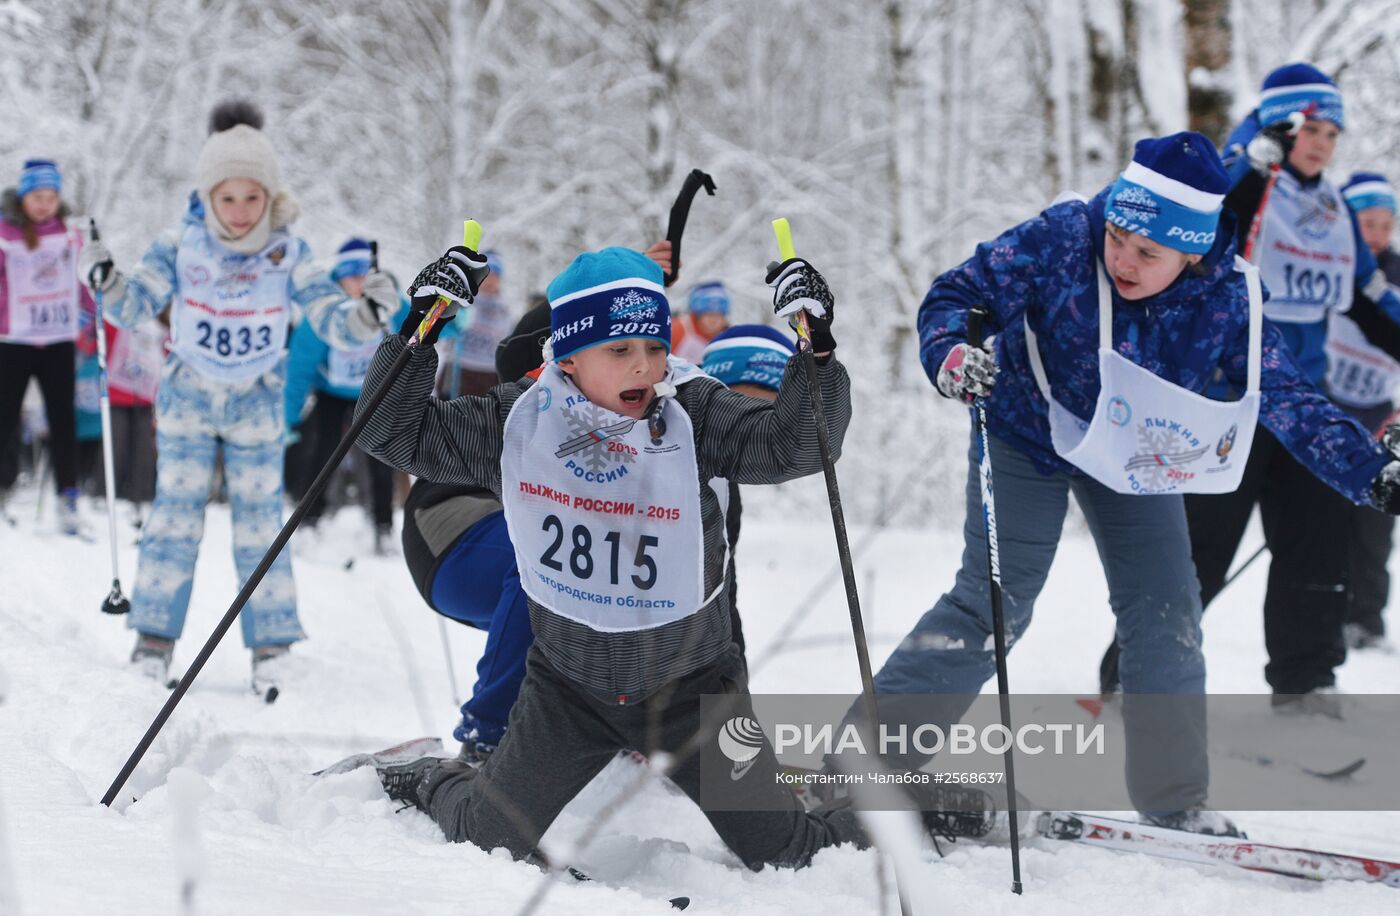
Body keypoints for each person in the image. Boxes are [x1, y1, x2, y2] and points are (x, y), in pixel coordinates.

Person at [355, 241, 986, 869]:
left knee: (788, 853)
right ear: (569, 357)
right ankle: (427, 776)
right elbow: (390, 429)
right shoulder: (520, 418)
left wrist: (814, 348)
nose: (644, 366)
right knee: (488, 836)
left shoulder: (693, 411)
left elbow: (796, 447)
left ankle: (900, 802)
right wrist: (420, 327)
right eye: (620, 349)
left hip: (692, 698)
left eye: (656, 347)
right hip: (566, 692)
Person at [865, 130, 1400, 835]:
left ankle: (1175, 801)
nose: (1122, 258)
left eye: (1148, 252)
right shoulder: (1063, 238)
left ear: (1194, 249)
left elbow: (1288, 399)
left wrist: (1372, 473)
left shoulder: (1231, 296)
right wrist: (954, 351)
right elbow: (958, 295)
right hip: (1027, 429)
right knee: (998, 597)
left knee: (1168, 612)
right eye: (1118, 236)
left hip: (1131, 450)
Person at [1098, 64, 1400, 710]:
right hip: (1221, 401)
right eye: (1308, 128)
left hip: (1304, 407)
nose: (1320, 143)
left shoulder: (1337, 211)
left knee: (1319, 552)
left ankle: (1306, 690)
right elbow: (1206, 239)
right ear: (1277, 125)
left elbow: (1372, 306)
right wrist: (1255, 162)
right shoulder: (1242, 179)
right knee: (1198, 552)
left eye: (1331, 132)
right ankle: (1133, 675)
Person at [80, 101, 390, 690]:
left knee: (260, 524)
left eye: (254, 198)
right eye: (229, 198)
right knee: (174, 519)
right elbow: (134, 303)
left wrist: (369, 311)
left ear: (270, 196)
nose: (242, 212)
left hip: (256, 403)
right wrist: (104, 278)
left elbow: (332, 321)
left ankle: (270, 646)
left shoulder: (289, 250)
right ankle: (153, 640)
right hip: (189, 398)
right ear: (208, 196)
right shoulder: (180, 243)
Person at [399, 302, 551, 761]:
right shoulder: (541, 391)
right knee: (548, 562)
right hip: (451, 522)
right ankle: (487, 735)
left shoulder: (685, 420)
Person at [284, 237, 406, 551]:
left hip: (375, 391)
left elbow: (434, 324)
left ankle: (382, 524)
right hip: (332, 393)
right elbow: (299, 367)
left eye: (364, 276)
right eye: (351, 276)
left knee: (380, 455)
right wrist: (290, 417)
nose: (359, 283)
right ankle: (309, 519)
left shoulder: (390, 305)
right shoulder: (325, 314)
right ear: (337, 279)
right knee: (322, 452)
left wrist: (455, 314)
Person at [0, 158, 96, 535]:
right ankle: (3, 487)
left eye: (50, 196)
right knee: (5, 417)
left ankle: (67, 496)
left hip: (57, 338)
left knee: (63, 419)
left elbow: (83, 279)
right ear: (24, 198)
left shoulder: (70, 234)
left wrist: (88, 317)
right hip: (15, 339)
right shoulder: (6, 233)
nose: (44, 204)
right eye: (37, 196)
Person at [1329, 172, 1400, 649]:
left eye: (1384, 223)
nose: (1376, 233)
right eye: (1366, 222)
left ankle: (1367, 619)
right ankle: (1324, 613)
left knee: (1374, 527)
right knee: (1324, 522)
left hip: (1379, 414)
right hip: (1327, 410)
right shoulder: (1331, 263)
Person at [699, 323, 796, 660]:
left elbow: (725, 593)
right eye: (740, 406)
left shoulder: (727, 483)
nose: (751, 432)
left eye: (770, 415)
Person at [436, 250, 513, 398]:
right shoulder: (461, 301)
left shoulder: (505, 310)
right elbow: (440, 333)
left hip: (490, 375)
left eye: (495, 275)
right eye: (486, 274)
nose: (490, 280)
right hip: (458, 371)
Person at [671, 280, 731, 363]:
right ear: (698, 314)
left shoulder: (729, 338)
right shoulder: (678, 330)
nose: (713, 320)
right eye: (708, 314)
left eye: (718, 315)